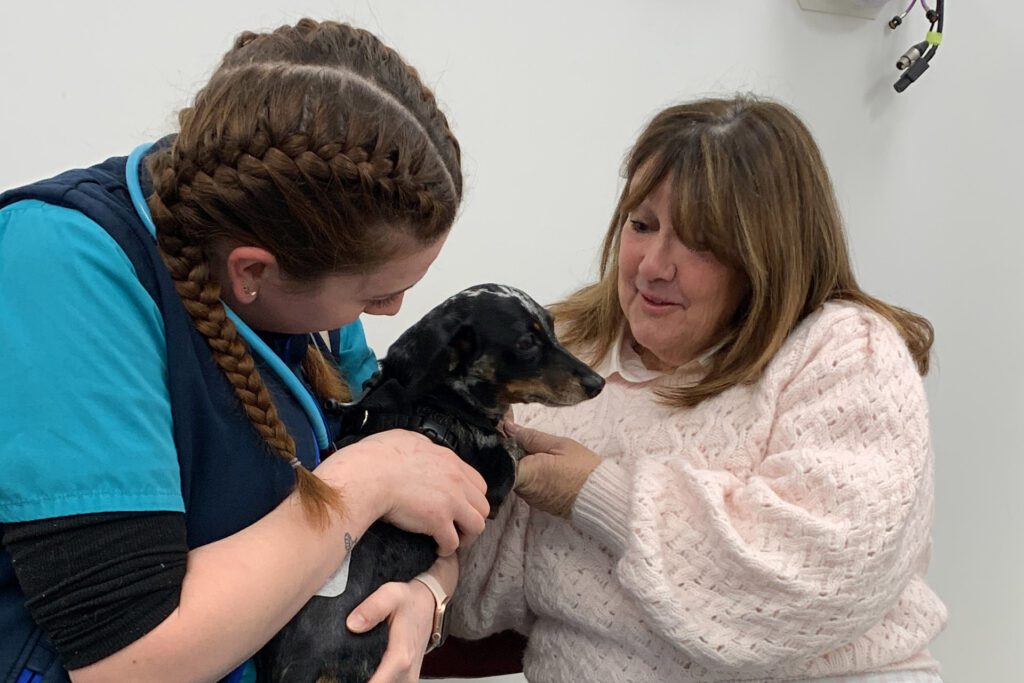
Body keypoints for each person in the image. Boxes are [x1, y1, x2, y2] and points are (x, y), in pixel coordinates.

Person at [0, 19, 488, 683]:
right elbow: (128, 662)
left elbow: (403, 484)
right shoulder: (60, 269)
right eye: (375, 298)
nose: (390, 314)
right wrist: (367, 481)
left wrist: (426, 595)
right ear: (251, 271)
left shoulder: (297, 270)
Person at [448, 96, 948, 682]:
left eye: (701, 243)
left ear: (769, 256)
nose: (653, 265)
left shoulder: (845, 353)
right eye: (642, 225)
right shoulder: (567, 357)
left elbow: (809, 579)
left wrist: (594, 492)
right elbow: (483, 595)